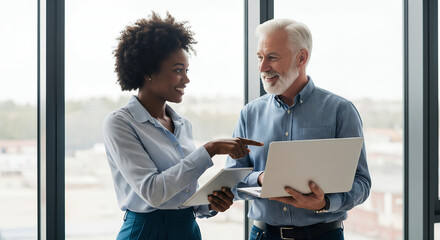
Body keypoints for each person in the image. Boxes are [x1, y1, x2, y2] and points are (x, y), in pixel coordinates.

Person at [103, 12, 263, 240]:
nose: (186, 79)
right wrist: (209, 150)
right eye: (178, 70)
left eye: (186, 70)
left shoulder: (182, 124)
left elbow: (185, 196)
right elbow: (154, 192)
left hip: (188, 229)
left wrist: (212, 204)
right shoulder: (120, 123)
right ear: (148, 72)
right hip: (146, 232)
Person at [226, 18, 371, 240]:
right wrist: (261, 178)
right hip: (264, 235)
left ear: (301, 57)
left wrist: (325, 203)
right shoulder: (250, 113)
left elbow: (361, 182)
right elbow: (232, 181)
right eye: (260, 57)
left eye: (272, 58)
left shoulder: (340, 111)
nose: (263, 67)